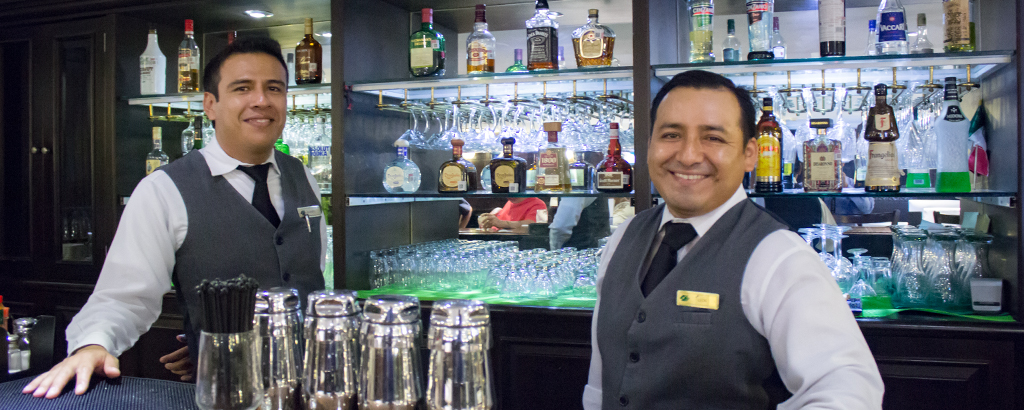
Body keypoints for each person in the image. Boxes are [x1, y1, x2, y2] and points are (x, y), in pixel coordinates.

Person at [23, 37, 326, 399]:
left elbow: (308, 274)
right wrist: (93, 344)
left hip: (315, 389)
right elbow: (123, 297)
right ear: (210, 105)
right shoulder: (163, 190)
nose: (261, 100)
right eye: (242, 88)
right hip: (228, 396)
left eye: (273, 88)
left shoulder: (302, 175)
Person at [582, 70, 883, 409]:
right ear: (649, 144)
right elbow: (600, 384)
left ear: (750, 153)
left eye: (713, 138)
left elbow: (848, 390)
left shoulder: (777, 255)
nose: (688, 155)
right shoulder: (625, 236)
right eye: (670, 135)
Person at [477, 197, 546, 233]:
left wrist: (500, 223)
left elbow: (533, 226)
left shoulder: (538, 204)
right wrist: (486, 221)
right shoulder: (510, 202)